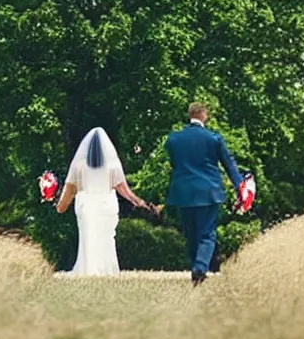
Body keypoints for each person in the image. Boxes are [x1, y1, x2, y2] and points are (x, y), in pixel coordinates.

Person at [165, 103, 243, 286]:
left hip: (183, 192)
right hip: (209, 192)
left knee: (190, 233)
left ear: (190, 115)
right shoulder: (213, 139)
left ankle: (196, 266)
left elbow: (175, 164)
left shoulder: (173, 139)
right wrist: (240, 186)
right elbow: (228, 164)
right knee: (207, 234)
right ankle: (200, 268)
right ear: (204, 115)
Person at [55, 127, 152, 275]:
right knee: (106, 239)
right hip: (106, 206)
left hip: (86, 206)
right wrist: (140, 202)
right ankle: (107, 269)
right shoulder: (113, 166)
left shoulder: (78, 166)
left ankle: (89, 269)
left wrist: (59, 204)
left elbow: (68, 192)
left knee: (88, 237)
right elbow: (125, 191)